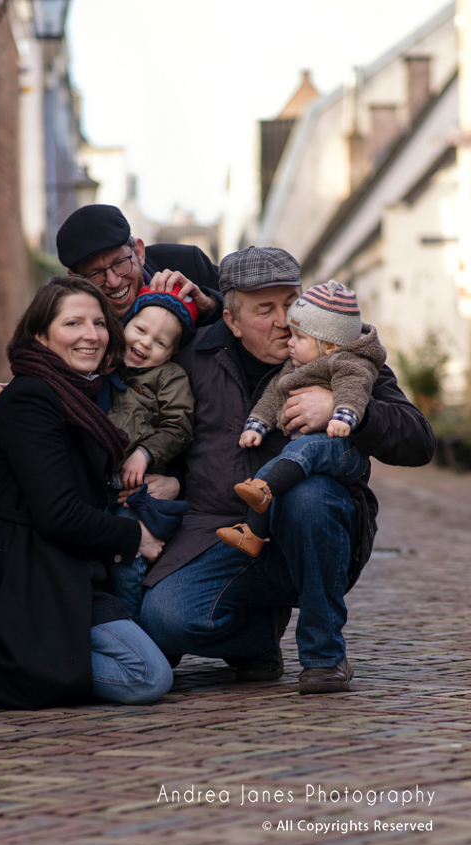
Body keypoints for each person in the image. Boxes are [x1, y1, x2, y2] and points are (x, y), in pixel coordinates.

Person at [139, 246, 436, 696]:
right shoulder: (193, 357)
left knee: (308, 495)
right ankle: (257, 640)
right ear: (232, 321)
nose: (286, 320)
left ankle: (324, 658)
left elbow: (419, 440)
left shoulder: (338, 349)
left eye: (291, 302)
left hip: (316, 533)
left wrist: (347, 408)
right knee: (162, 621)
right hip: (219, 535)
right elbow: (136, 403)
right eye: (265, 309)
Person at [0, 277, 173, 710]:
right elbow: (58, 513)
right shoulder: (31, 399)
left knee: (153, 655)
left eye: (98, 323)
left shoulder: (74, 398)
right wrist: (137, 540)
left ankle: (37, 657)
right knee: (146, 676)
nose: (90, 335)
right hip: (24, 576)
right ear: (40, 335)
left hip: (65, 567)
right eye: (72, 323)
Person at [217, 279, 387, 557]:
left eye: (300, 337)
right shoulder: (295, 365)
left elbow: (353, 387)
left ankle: (267, 491)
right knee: (268, 472)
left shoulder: (350, 362)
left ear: (329, 345)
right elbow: (274, 393)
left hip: (341, 448)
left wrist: (342, 414)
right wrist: (257, 424)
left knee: (301, 452)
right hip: (304, 450)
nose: (289, 341)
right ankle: (253, 534)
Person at [107, 285, 198, 619]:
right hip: (99, 484)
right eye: (141, 330)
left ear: (171, 353)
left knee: (127, 562)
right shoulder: (106, 363)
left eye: (160, 342)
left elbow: (178, 426)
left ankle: (133, 625)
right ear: (126, 325)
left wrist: (145, 452)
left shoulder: (169, 377)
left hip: (139, 491)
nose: (145, 343)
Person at [56, 204, 222, 323]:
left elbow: (241, 311)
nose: (114, 282)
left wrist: (210, 305)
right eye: (95, 273)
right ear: (76, 280)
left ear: (140, 252)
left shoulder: (188, 262)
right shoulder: (72, 322)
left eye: (120, 263)